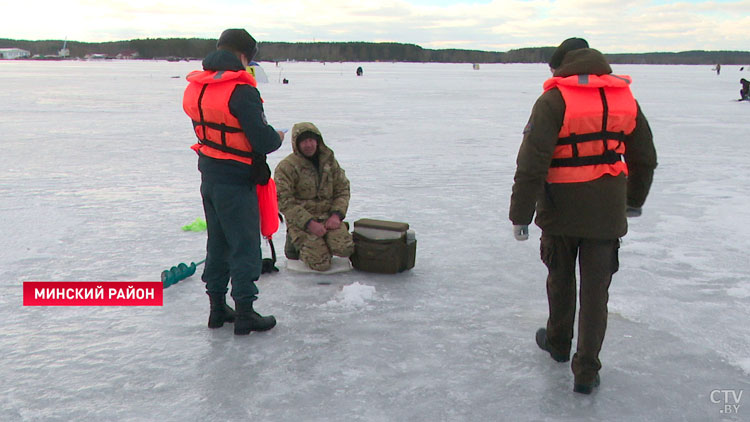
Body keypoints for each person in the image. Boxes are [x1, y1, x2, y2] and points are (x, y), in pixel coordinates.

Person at [509, 37, 657, 394]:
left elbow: (531, 164)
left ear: (560, 65)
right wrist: (633, 201)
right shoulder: (624, 98)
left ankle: (559, 344)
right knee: (596, 294)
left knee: (560, 279)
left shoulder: (553, 100)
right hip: (606, 214)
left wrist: (521, 215)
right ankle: (586, 371)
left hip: (560, 212)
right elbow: (645, 157)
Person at [182, 28, 284, 335]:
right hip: (237, 180)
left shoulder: (198, 87)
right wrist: (277, 137)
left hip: (209, 176)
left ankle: (216, 309)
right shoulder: (241, 90)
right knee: (243, 246)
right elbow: (262, 141)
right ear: (244, 55)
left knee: (218, 243)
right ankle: (244, 314)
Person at [274, 122, 354, 271]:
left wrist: (336, 215)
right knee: (319, 263)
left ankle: (327, 240)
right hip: (302, 222)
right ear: (296, 144)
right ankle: (295, 244)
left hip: (328, 218)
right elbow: (284, 201)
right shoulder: (286, 167)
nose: (308, 145)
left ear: (318, 141)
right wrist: (310, 223)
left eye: (311, 140)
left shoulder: (329, 162)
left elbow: (342, 189)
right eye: (304, 141)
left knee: (345, 249)